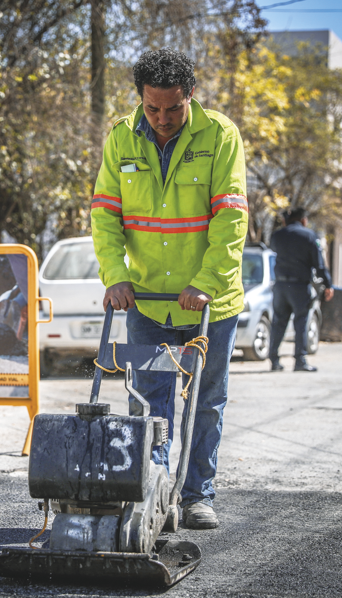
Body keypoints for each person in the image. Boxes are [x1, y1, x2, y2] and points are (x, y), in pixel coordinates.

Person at [91, 48, 248, 530]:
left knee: (205, 399)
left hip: (209, 304)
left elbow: (231, 218)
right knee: (148, 400)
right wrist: (114, 276)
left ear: (191, 96)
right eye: (152, 107)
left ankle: (199, 493)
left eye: (172, 108)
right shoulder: (121, 136)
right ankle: (154, 489)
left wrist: (205, 283)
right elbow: (105, 213)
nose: (161, 118)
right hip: (146, 300)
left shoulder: (219, 135)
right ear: (140, 97)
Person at [268, 207, 334, 372]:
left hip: (280, 286)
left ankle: (274, 360)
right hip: (299, 286)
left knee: (278, 323)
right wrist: (328, 285)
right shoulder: (309, 236)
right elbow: (319, 265)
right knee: (301, 322)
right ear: (303, 220)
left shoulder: (277, 235)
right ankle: (300, 360)